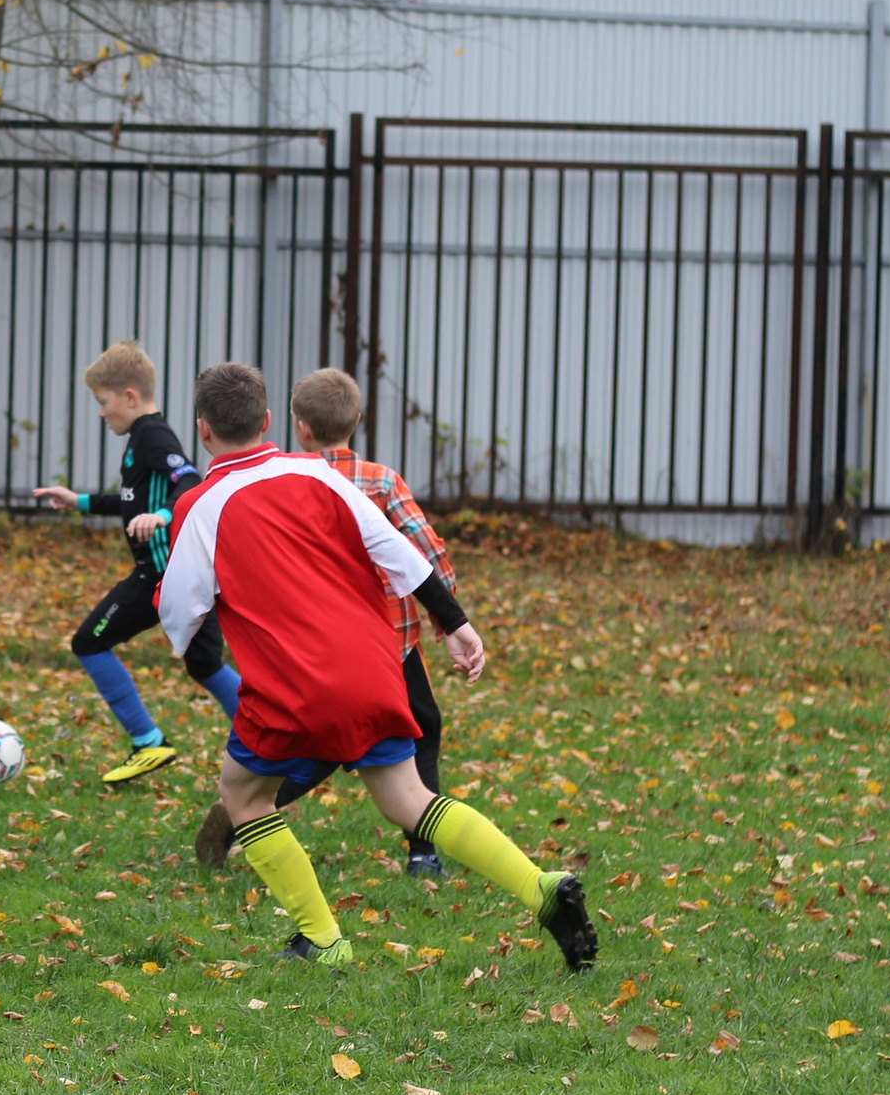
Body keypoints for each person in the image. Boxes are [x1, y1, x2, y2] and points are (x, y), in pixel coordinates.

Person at [157, 361, 595, 971]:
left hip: (291, 686)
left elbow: (180, 614)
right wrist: (457, 624)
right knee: (408, 799)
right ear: (265, 421)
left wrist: (190, 624)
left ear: (203, 431)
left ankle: (324, 940)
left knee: (242, 794)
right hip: (374, 666)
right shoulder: (323, 476)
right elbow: (401, 554)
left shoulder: (201, 506)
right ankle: (540, 888)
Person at [193, 367, 458, 878]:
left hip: (306, 649)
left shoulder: (283, 481)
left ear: (298, 427)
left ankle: (241, 815)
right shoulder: (382, 481)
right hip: (392, 648)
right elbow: (426, 553)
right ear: (357, 419)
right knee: (421, 734)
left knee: (312, 747)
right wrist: (445, 613)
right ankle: (422, 852)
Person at [32, 340, 243, 785]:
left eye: (102, 402)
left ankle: (148, 742)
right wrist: (79, 501)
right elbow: (131, 501)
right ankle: (274, 740)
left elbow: (187, 479)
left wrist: (164, 515)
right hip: (187, 578)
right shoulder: (140, 437)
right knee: (205, 666)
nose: (100, 412)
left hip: (160, 578)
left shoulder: (153, 435)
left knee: (88, 643)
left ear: (129, 396)